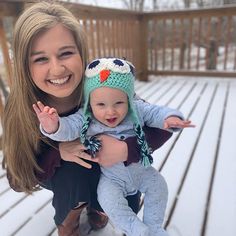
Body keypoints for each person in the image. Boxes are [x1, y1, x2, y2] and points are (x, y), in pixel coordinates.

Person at [1, 2, 174, 236]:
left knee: (128, 199)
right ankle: (69, 218)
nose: (57, 69)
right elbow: (17, 177)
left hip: (112, 170)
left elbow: (159, 127)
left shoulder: (102, 84)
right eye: (40, 59)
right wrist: (59, 152)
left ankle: (99, 207)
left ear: (81, 52)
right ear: (24, 65)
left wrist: (125, 149)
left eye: (66, 53)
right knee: (74, 171)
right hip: (59, 174)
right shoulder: (21, 105)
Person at [33, 57, 195, 236]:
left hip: (142, 171)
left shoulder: (137, 109)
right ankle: (136, 229)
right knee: (109, 201)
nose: (110, 111)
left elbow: (155, 112)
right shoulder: (87, 118)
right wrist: (52, 125)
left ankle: (154, 227)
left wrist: (170, 118)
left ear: (128, 99)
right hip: (112, 179)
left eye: (118, 103)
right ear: (90, 104)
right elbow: (69, 128)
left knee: (159, 187)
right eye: (101, 105)